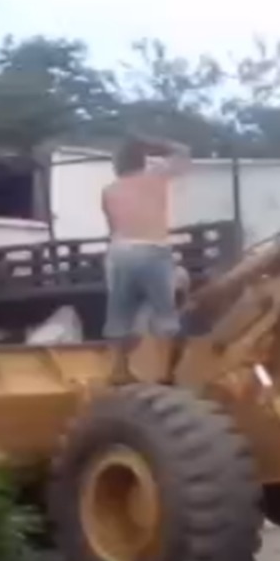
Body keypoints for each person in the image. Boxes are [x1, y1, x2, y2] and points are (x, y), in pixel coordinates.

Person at [101, 134, 192, 381]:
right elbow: (183, 149)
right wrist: (157, 143)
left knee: (122, 315)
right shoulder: (156, 178)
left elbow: (112, 228)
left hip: (120, 253)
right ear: (143, 161)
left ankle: (119, 369)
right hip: (152, 250)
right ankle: (165, 371)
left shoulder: (108, 191)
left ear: (117, 165)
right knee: (166, 309)